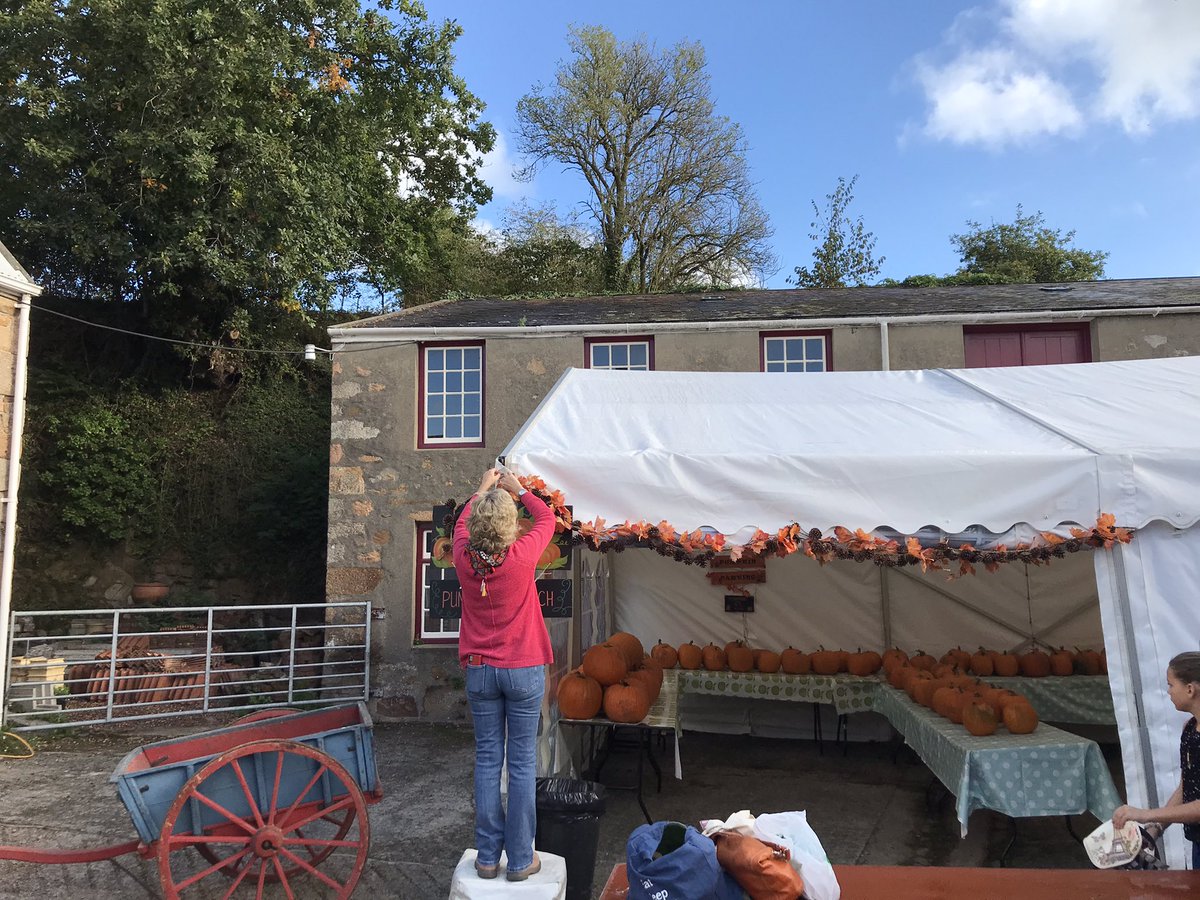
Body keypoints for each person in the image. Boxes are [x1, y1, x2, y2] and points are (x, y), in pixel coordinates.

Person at [454, 466, 556, 881]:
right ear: (510, 527)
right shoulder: (521, 555)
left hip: (480, 671)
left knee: (487, 760)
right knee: (521, 763)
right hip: (523, 670)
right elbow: (547, 518)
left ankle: (486, 858)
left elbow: (461, 522)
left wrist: (481, 488)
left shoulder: (463, 558)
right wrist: (520, 489)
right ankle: (519, 859)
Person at [1113, 650, 1200, 870]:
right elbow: (1187, 788)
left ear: (1190, 689)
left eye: (1171, 685)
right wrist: (1154, 830)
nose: (1168, 691)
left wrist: (1144, 814)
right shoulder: (1189, 730)